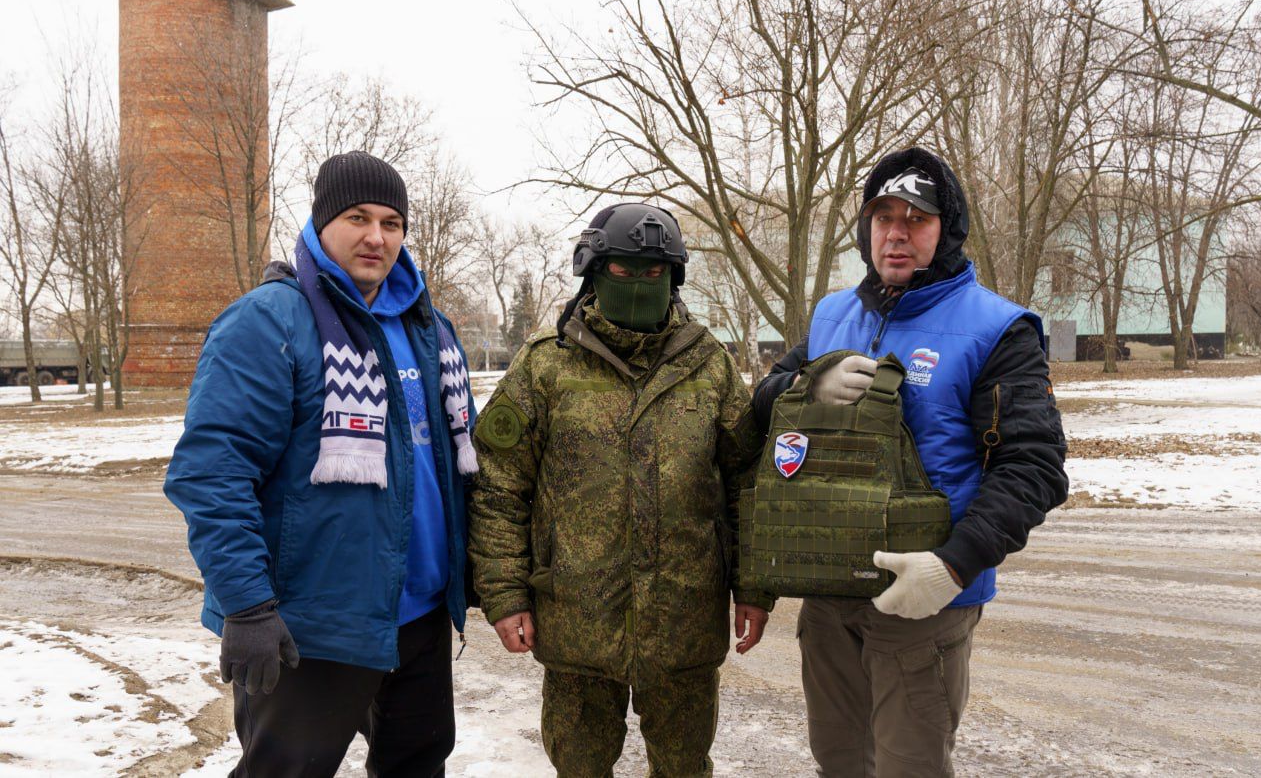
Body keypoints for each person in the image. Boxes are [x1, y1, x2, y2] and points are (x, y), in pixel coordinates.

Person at [751, 147, 1068, 776]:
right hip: (829, 592)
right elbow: (760, 407)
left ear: (945, 232)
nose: (896, 233)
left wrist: (952, 567)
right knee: (839, 762)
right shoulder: (832, 316)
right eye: (883, 217)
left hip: (923, 601)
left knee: (908, 768)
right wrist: (806, 384)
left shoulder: (997, 330)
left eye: (916, 219)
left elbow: (1034, 467)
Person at [165, 150, 477, 777]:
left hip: (419, 616)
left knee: (418, 767)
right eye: (357, 217)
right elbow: (212, 473)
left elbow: (455, 469)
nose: (376, 237)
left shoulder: (429, 328)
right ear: (321, 221)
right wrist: (248, 606)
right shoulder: (268, 321)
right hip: (308, 626)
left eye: (391, 222)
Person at [468, 203, 772, 777]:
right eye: (623, 271)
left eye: (653, 272)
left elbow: (748, 486)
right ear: (593, 271)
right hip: (576, 625)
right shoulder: (546, 366)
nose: (638, 283)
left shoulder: (709, 365)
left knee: (684, 770)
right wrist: (505, 597)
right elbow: (499, 490)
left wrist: (753, 589)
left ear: (674, 277)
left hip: (684, 625)